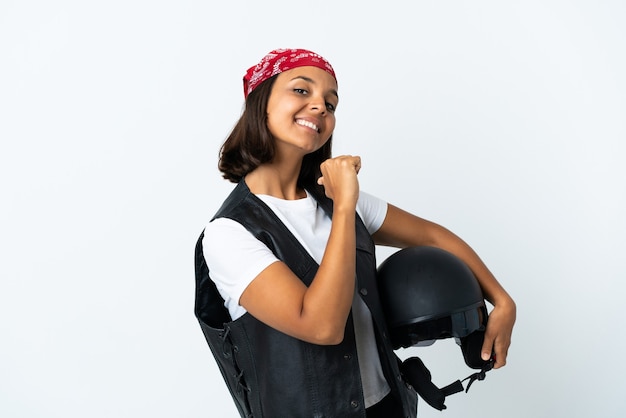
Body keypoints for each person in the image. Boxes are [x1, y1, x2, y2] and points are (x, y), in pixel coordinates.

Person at [195, 48, 516, 418]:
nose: (320, 107)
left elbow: (433, 237)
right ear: (261, 102)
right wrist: (346, 206)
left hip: (388, 407)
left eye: (330, 104)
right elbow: (321, 326)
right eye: (302, 91)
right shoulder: (228, 234)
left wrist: (502, 300)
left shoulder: (337, 200)